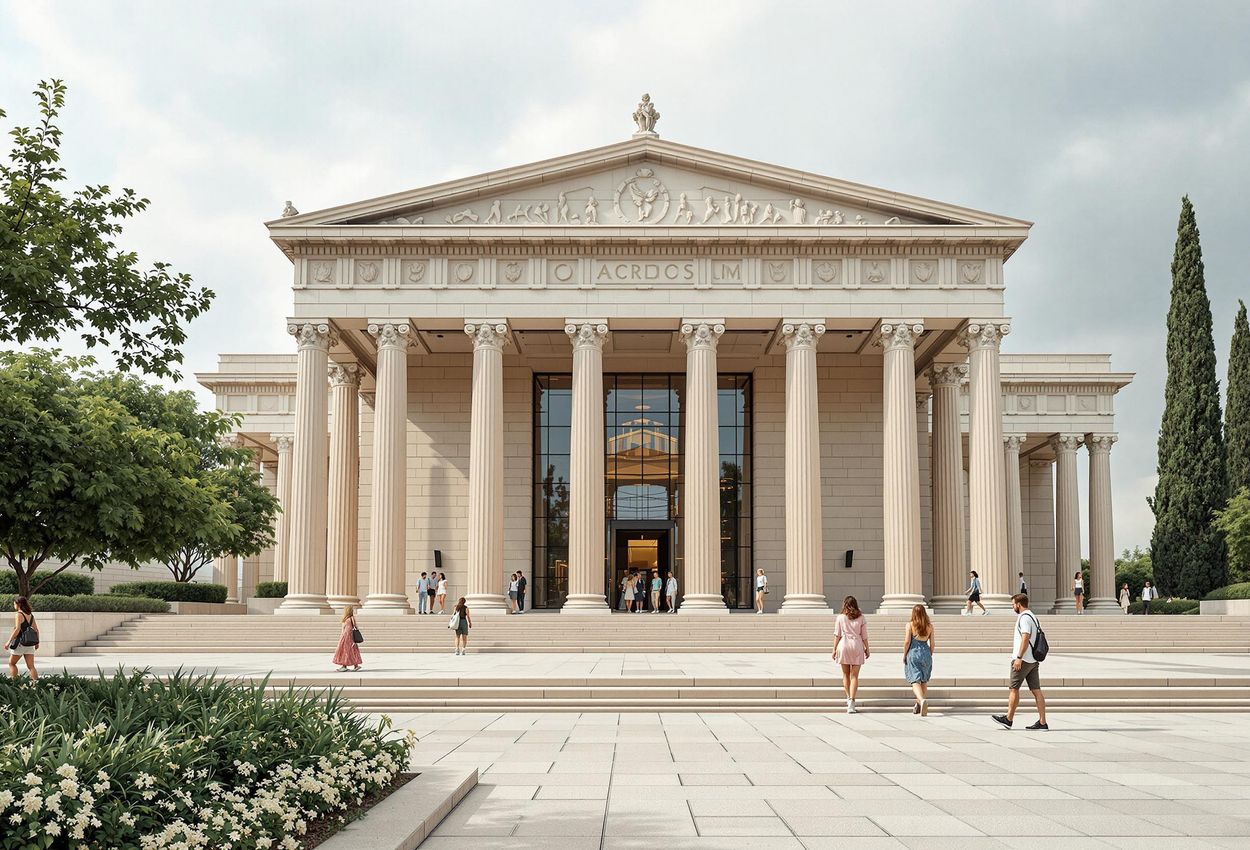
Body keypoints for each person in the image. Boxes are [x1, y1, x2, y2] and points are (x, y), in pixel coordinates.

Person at [992, 593, 1048, 731]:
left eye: (1013, 605)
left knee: (1013, 688)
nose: (1013, 607)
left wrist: (1019, 657)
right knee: (1036, 691)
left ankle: (1008, 719)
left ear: (1018, 604)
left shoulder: (1023, 618)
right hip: (1033, 660)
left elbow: (1025, 637)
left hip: (1023, 660)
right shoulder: (1033, 617)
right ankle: (1042, 722)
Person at [832, 596, 870, 714]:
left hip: (844, 645)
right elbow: (864, 636)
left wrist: (833, 649)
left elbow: (837, 635)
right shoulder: (861, 617)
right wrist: (867, 649)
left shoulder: (840, 618)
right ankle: (852, 702)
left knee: (845, 674)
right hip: (857, 645)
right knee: (854, 676)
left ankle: (848, 698)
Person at [903, 605, 934, 715]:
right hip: (926, 653)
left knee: (915, 680)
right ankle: (919, 704)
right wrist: (928, 655)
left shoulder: (910, 625)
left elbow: (907, 642)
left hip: (913, 653)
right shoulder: (930, 626)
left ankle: (921, 700)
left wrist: (904, 655)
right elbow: (933, 645)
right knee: (924, 680)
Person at [7, 596, 38, 680]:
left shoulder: (19, 614)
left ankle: (15, 683)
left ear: (19, 604)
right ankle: (36, 685)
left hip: (20, 643)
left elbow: (17, 629)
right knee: (31, 666)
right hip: (30, 644)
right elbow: (36, 630)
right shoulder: (30, 615)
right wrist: (37, 643)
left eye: (14, 604)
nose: (14, 605)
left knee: (11, 663)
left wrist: (8, 642)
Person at [332, 604, 362, 672]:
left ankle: (346, 666)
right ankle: (350, 665)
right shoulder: (349, 618)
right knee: (348, 651)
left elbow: (345, 628)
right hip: (347, 637)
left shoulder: (349, 618)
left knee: (346, 651)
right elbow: (354, 626)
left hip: (347, 637)